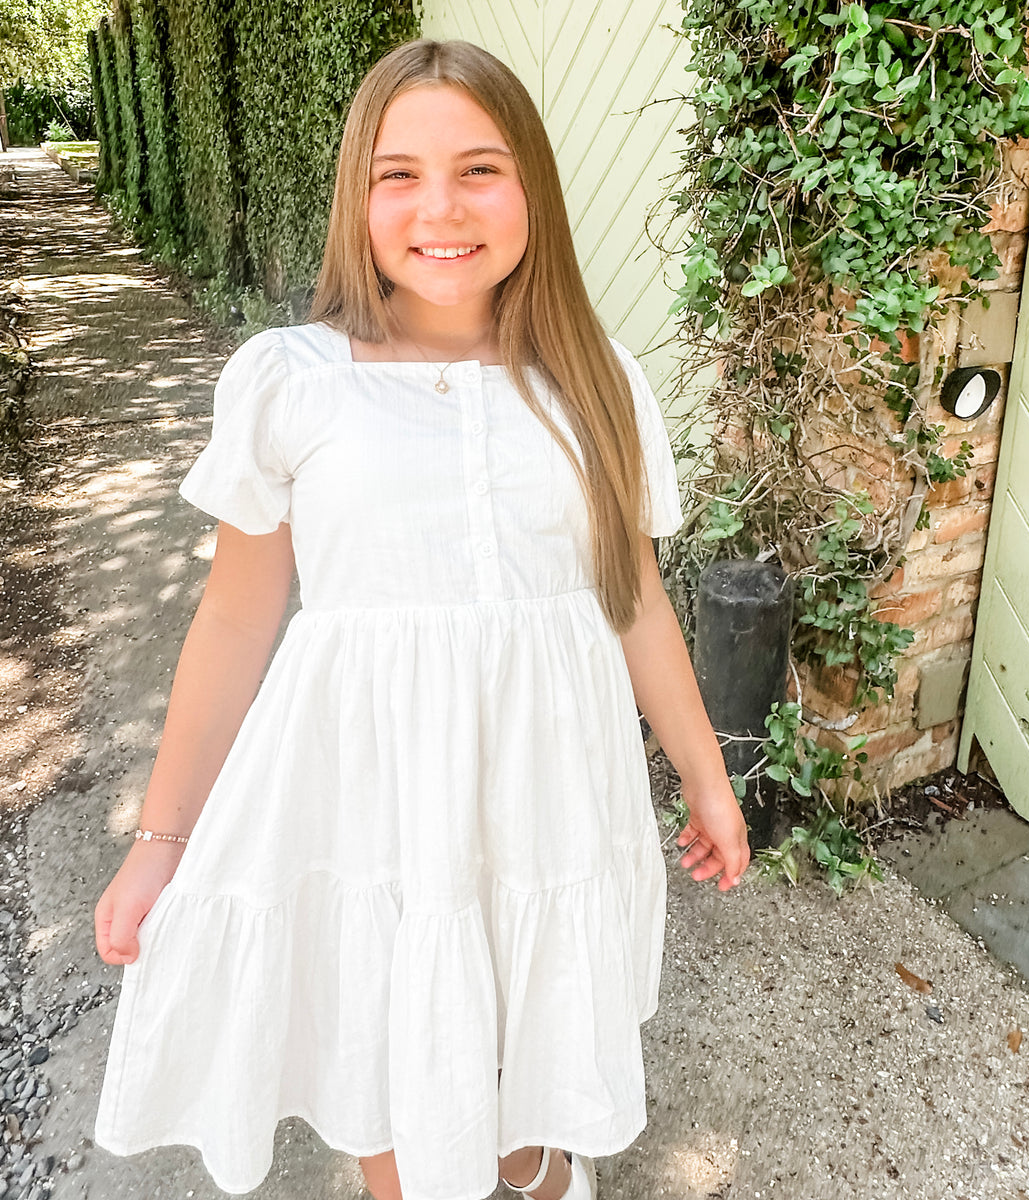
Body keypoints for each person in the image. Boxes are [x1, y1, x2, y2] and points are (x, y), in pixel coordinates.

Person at [91, 37, 750, 1200]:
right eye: (399, 173)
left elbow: (634, 594)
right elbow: (236, 622)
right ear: (359, 195)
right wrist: (163, 839)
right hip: (371, 791)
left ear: (531, 187)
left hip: (548, 786)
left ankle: (535, 1160)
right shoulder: (295, 381)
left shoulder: (596, 378)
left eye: (479, 169)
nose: (439, 207)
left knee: (524, 1026)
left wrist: (705, 774)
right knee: (389, 1046)